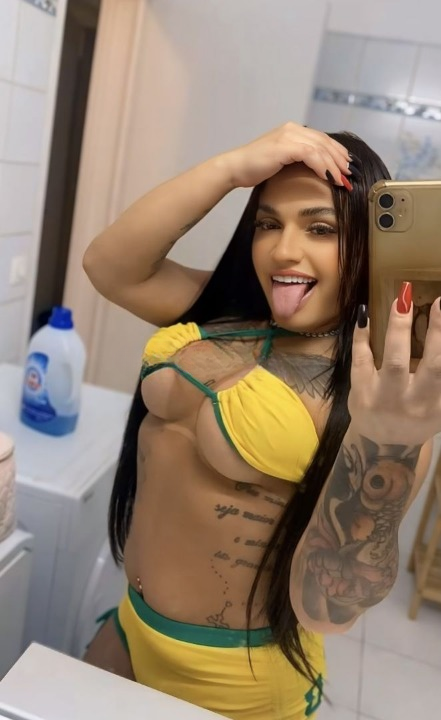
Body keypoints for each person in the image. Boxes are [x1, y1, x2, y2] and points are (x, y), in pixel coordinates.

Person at [82, 123, 438, 720]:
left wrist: (392, 439)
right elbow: (108, 266)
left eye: (320, 228)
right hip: (129, 628)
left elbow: (330, 608)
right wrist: (232, 167)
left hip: (235, 683)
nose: (282, 250)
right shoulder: (228, 316)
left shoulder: (377, 395)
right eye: (268, 223)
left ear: (368, 245)